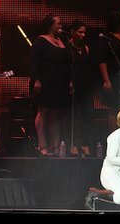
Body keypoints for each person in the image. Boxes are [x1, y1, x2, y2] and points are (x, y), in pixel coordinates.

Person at [31, 14, 72, 156]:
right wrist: (37, 80)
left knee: (56, 114)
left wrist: (70, 81)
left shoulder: (62, 41)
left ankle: (55, 145)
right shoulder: (41, 41)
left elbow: (68, 63)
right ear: (50, 25)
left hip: (60, 83)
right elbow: (35, 63)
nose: (61, 27)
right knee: (44, 112)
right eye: (58, 24)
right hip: (45, 81)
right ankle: (42, 145)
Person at [68, 20, 95, 157]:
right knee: (73, 116)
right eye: (80, 32)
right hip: (73, 85)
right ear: (73, 32)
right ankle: (72, 143)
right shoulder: (67, 47)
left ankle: (85, 143)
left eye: (84, 32)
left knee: (86, 116)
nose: (83, 35)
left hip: (85, 85)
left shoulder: (86, 48)